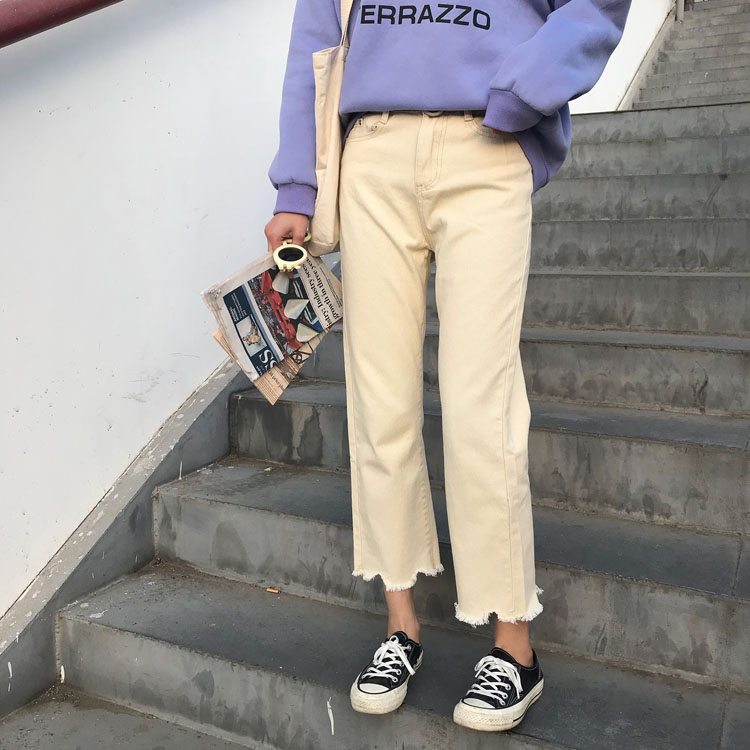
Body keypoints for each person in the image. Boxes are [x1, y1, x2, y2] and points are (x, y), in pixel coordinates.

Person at [265, 0, 631, 732]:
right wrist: (297, 186)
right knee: (379, 400)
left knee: (480, 405)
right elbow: (317, 35)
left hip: (485, 143)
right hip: (372, 152)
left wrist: (524, 90)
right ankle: (400, 626)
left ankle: (514, 646)